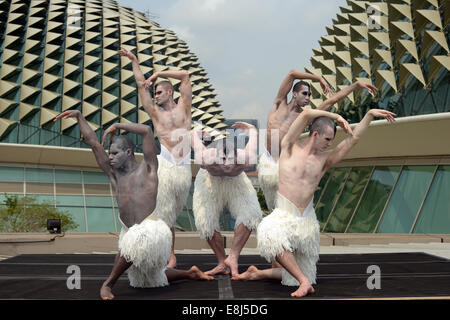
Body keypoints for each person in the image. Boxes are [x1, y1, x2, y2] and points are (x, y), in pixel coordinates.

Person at [238, 104, 396, 297]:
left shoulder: (325, 159)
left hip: (307, 222)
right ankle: (304, 282)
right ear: (315, 134)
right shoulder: (288, 146)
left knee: (295, 277)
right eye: (327, 139)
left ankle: (259, 274)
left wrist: (369, 115)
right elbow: (306, 114)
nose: (330, 143)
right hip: (283, 216)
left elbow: (353, 139)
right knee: (268, 233)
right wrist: (336, 116)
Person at [54, 110, 213, 300]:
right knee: (149, 280)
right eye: (109, 154)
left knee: (136, 240)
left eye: (114, 153)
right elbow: (94, 144)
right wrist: (80, 117)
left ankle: (107, 284)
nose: (110, 157)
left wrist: (119, 125)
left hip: (151, 231)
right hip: (128, 231)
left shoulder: (148, 169)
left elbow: (146, 131)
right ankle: (189, 273)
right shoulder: (115, 175)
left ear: (128, 152)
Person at [118, 47, 193, 268]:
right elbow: (142, 86)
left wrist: (160, 74)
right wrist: (134, 60)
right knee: (164, 212)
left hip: (185, 169)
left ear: (170, 92)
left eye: (159, 92)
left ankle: (169, 252)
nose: (156, 95)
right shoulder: (155, 114)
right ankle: (170, 255)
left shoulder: (184, 108)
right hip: (167, 166)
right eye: (155, 93)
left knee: (175, 211)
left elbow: (186, 76)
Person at [191, 122, 263, 279]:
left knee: (252, 214)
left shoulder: (246, 159)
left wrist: (251, 130)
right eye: (223, 158)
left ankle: (233, 257)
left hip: (236, 181)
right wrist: (197, 132)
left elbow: (253, 136)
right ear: (215, 155)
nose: (228, 163)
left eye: (231, 158)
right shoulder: (204, 159)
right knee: (205, 222)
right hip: (209, 181)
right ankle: (222, 262)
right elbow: (193, 137)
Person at [258, 69, 332, 212]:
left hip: (284, 164)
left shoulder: (303, 117)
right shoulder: (279, 104)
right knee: (273, 210)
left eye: (310, 95)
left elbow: (331, 101)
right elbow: (292, 74)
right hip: (267, 163)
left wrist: (355, 86)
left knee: (284, 210)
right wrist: (318, 78)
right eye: (305, 93)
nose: (308, 97)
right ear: (294, 93)